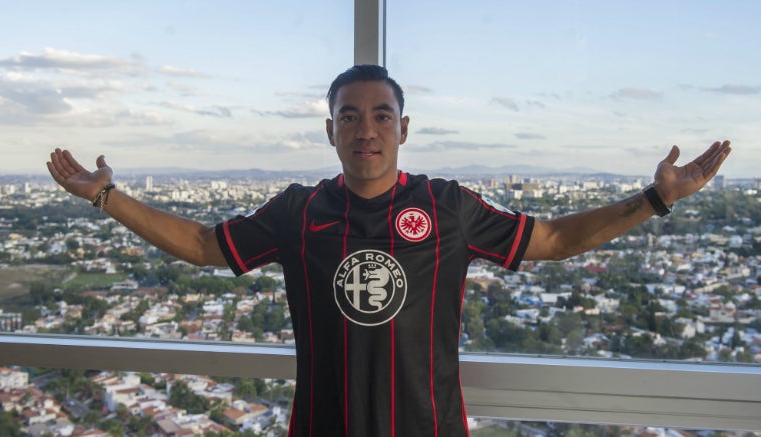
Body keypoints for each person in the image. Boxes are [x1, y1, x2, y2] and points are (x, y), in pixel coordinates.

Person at [47, 65, 732, 437]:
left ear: (403, 128)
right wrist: (108, 198)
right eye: (350, 115)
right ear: (329, 131)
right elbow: (202, 244)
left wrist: (656, 198)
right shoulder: (299, 210)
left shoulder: (447, 206)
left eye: (380, 115)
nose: (365, 129)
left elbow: (550, 239)